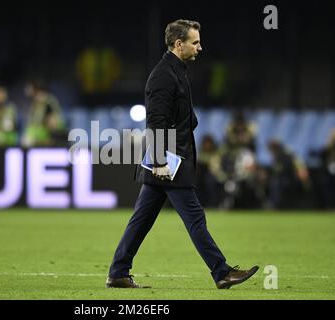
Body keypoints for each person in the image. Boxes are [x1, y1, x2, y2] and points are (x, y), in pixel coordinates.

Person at [106, 19, 258, 290]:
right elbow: (155, 122)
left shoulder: (175, 72)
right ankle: (221, 272)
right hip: (169, 163)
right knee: (195, 217)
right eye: (195, 42)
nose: (200, 47)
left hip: (170, 159)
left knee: (141, 221)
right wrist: (161, 162)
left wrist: (189, 122)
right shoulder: (163, 76)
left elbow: (175, 116)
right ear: (179, 44)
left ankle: (118, 272)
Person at [21, 79, 66, 147]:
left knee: (28, 141)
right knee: (26, 140)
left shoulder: (49, 102)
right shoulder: (34, 104)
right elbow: (32, 123)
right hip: (38, 136)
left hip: (50, 135)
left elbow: (55, 124)